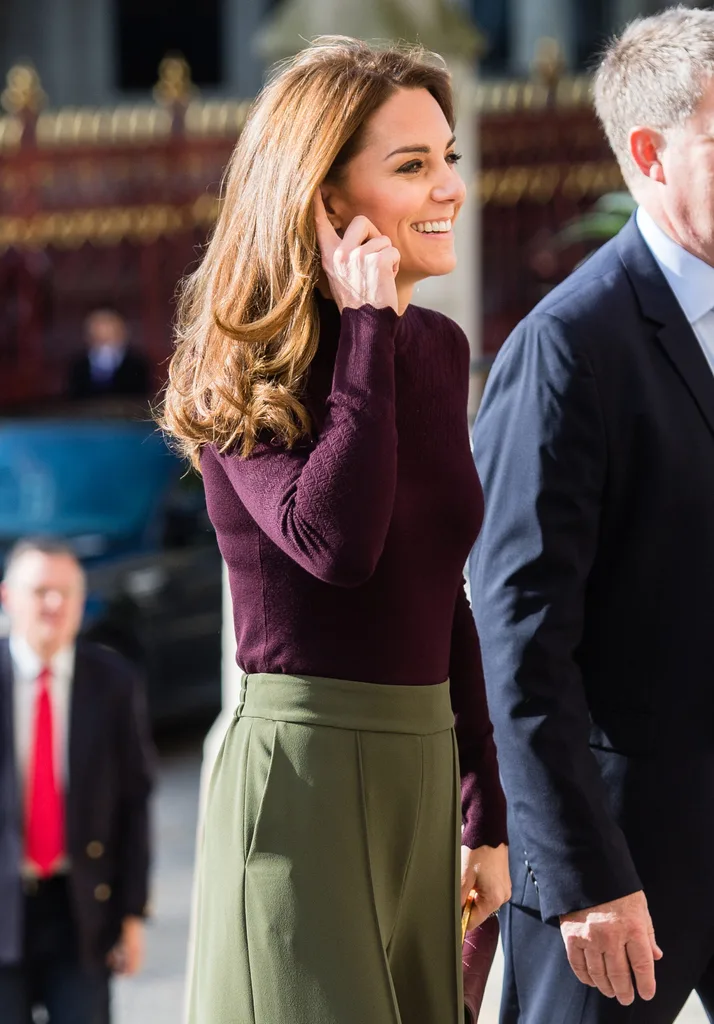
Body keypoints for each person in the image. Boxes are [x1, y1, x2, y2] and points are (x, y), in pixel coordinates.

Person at [160, 37, 510, 1024]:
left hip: (422, 771)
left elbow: (441, 589)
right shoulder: (242, 362)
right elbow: (336, 545)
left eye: (448, 157)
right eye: (412, 165)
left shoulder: (437, 348)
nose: (450, 187)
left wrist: (487, 810)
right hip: (301, 780)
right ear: (323, 197)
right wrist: (364, 330)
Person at [469, 7, 714, 1023]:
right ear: (649, 155)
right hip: (621, 868)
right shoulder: (566, 347)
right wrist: (583, 875)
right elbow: (520, 641)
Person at [0, 537, 155, 1024]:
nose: (54, 604)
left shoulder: (112, 681)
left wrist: (132, 913)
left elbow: (134, 800)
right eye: (40, 591)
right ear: (8, 597)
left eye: (66, 592)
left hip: (80, 909)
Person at [67, 308, 151, 400]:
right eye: (99, 336)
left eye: (110, 334)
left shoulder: (137, 364)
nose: (104, 337)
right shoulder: (78, 366)